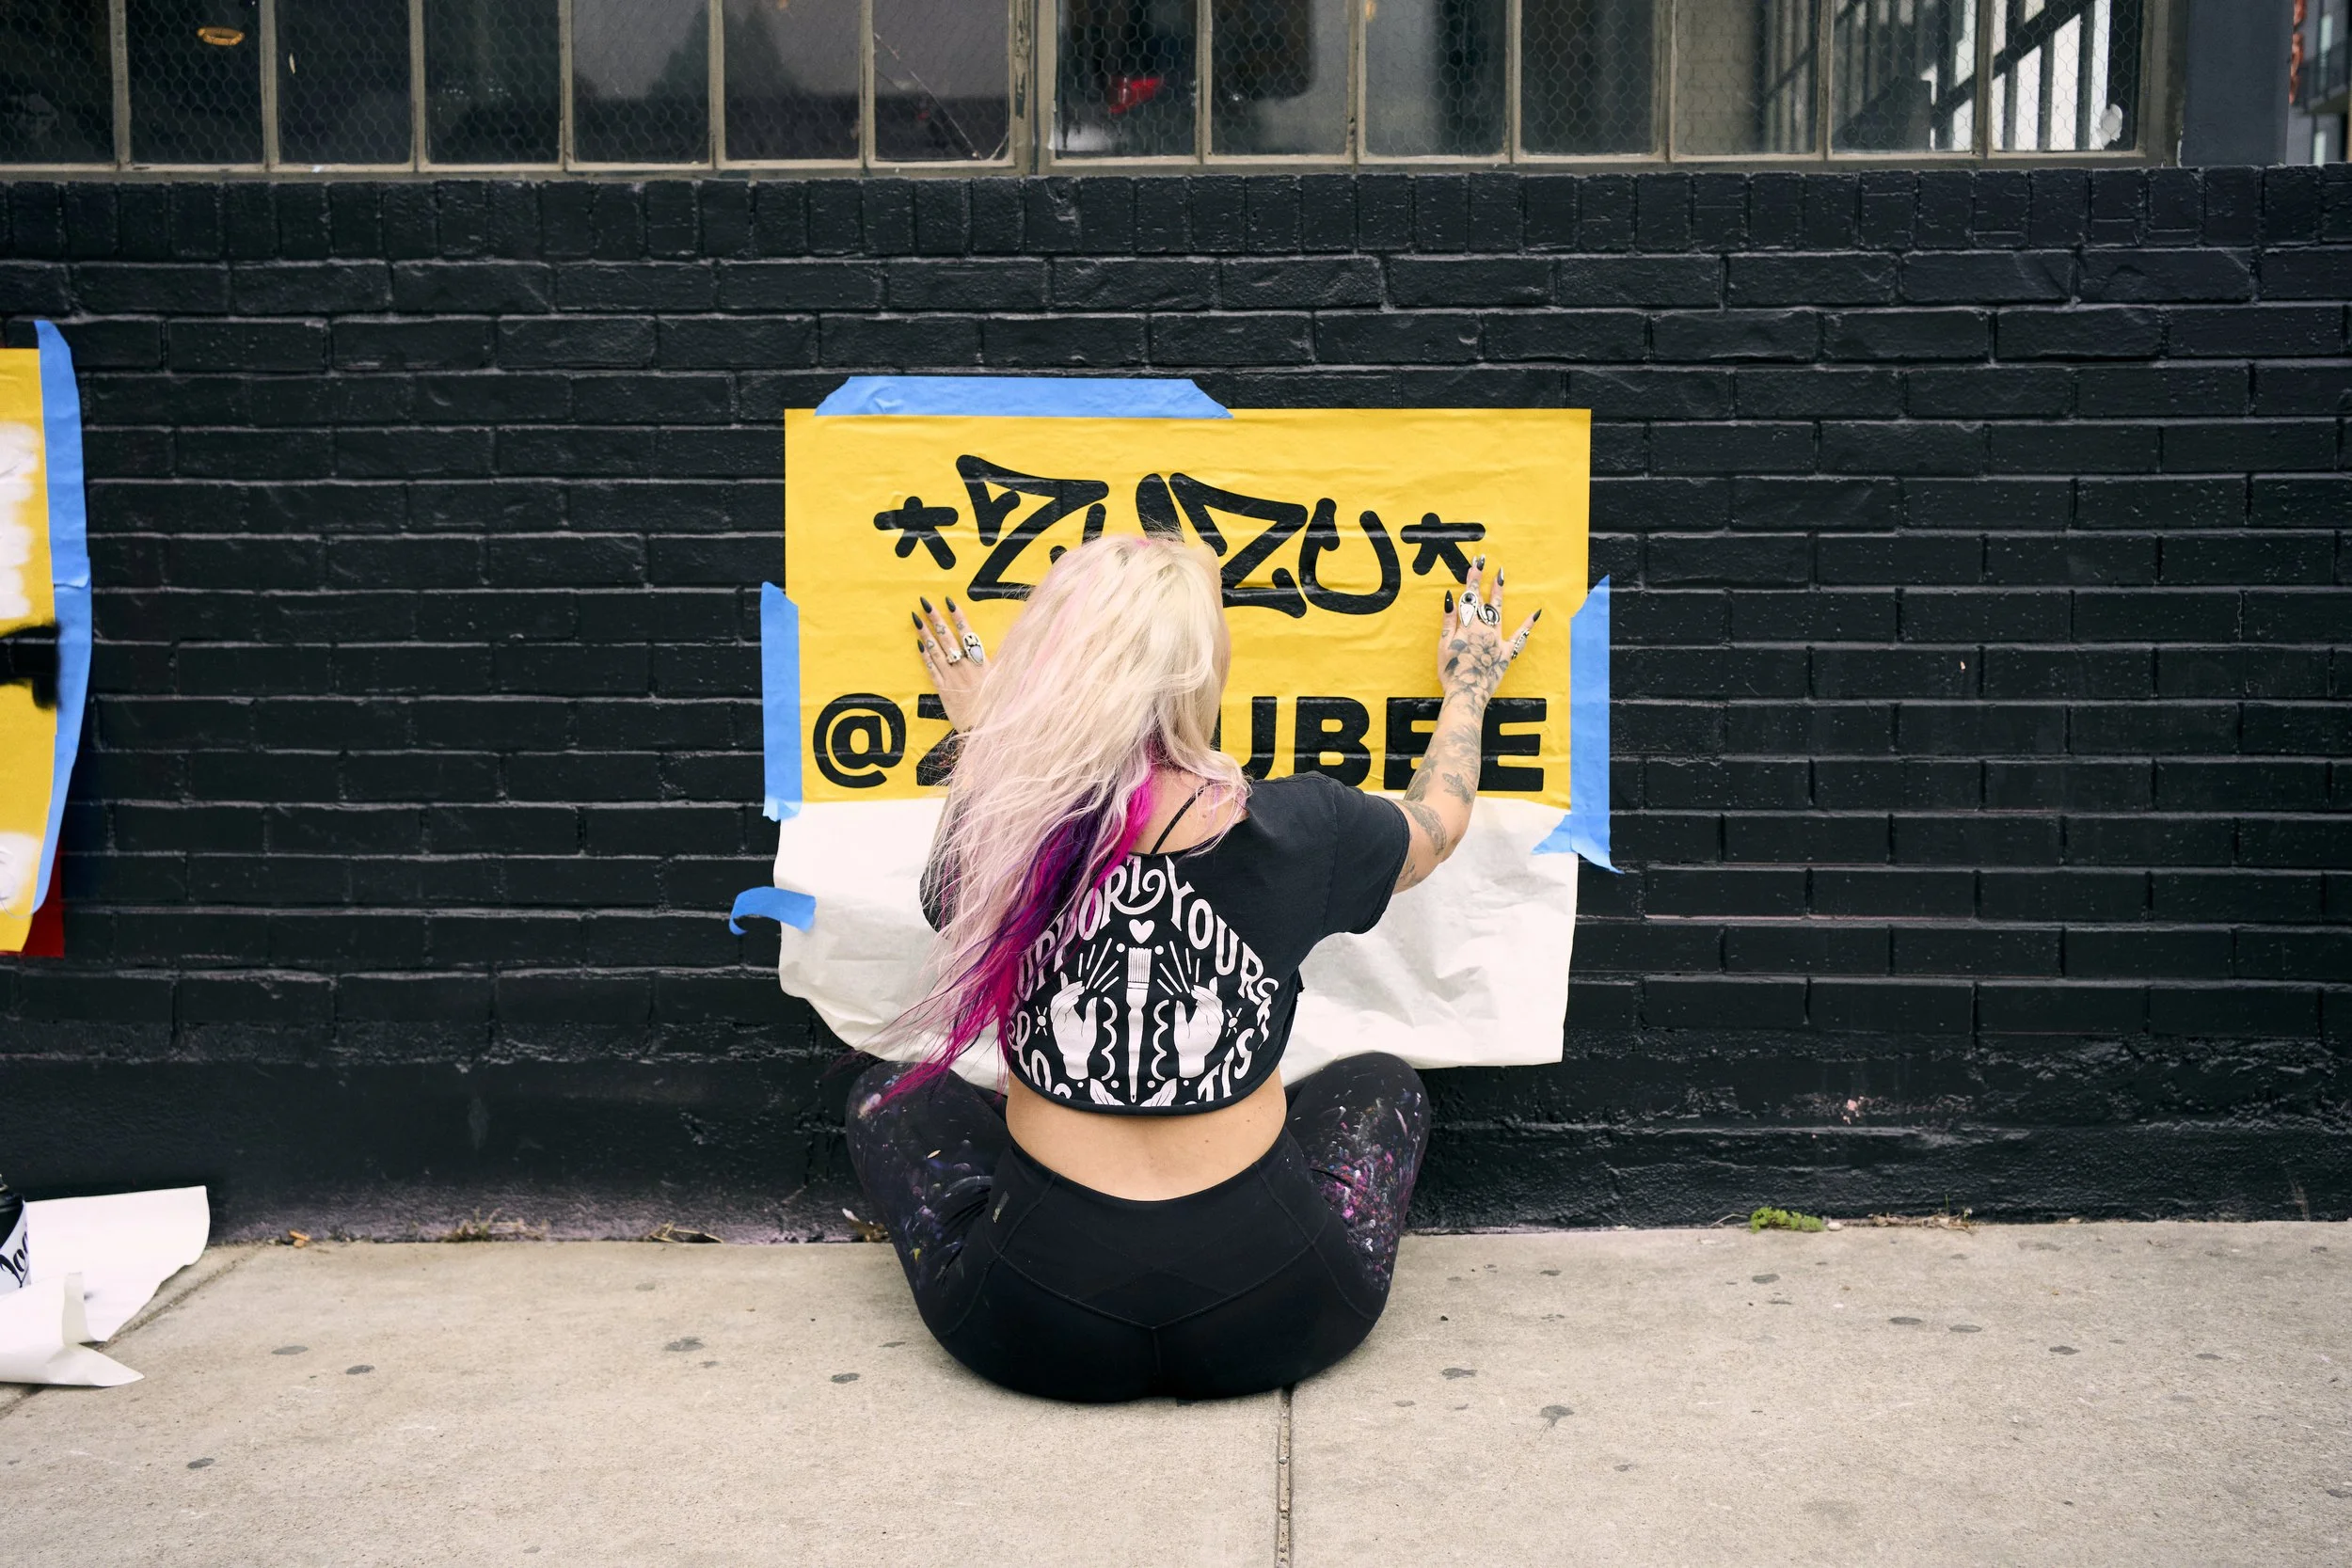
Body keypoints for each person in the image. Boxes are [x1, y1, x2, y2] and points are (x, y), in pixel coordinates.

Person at [843, 534, 1537, 1402]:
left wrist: (989, 736)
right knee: (1380, 1083)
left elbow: (1000, 845)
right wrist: (1470, 683)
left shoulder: (992, 825)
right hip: (1278, 1314)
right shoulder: (1306, 828)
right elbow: (1439, 821)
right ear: (1206, 667)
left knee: (888, 1097)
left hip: (1032, 1327)